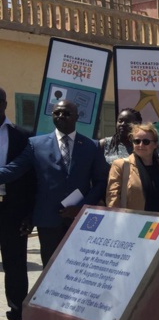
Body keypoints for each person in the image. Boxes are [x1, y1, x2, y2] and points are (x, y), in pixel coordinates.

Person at [0, 99, 108, 265]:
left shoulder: (91, 146)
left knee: (78, 268)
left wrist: (82, 208)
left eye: (66, 113)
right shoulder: (36, 144)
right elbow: (14, 169)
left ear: (76, 116)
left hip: (79, 219)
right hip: (48, 220)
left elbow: (100, 182)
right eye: (57, 113)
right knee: (50, 271)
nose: (61, 116)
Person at [0, 87, 35, 320]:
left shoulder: (23, 137)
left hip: (12, 211)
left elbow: (33, 179)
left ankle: (18, 315)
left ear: (3, 104)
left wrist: (28, 215)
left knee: (15, 265)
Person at [106, 123, 159, 212]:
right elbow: (112, 197)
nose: (141, 145)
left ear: (155, 145)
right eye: (137, 141)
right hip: (132, 222)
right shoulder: (120, 165)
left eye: (146, 142)